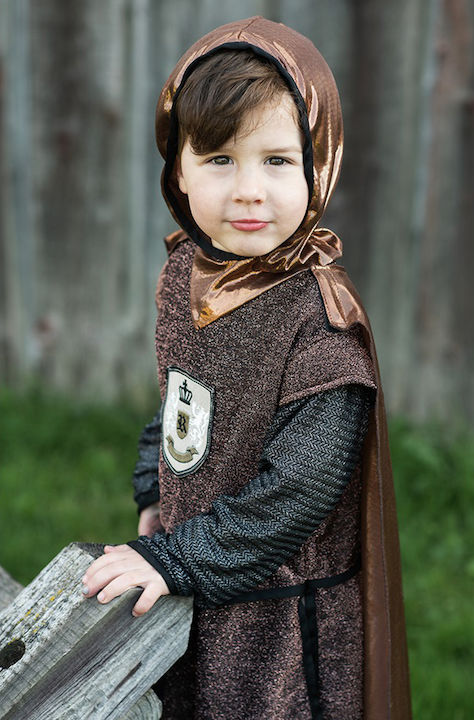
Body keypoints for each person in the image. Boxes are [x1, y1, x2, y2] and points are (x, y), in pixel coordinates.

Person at [82, 16, 412, 720]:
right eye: (220, 160)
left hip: (282, 633)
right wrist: (153, 496)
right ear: (178, 170)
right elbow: (178, 397)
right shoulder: (186, 276)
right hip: (193, 586)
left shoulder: (320, 323)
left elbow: (297, 491)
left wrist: (176, 560)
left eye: (277, 160)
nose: (249, 191)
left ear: (318, 164)